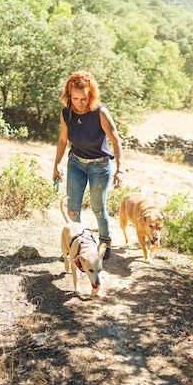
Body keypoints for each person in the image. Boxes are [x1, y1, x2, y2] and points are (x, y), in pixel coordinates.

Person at [53, 71, 124, 260]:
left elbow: (116, 140)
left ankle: (104, 241)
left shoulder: (100, 112)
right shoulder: (66, 112)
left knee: (98, 209)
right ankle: (78, 244)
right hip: (76, 163)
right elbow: (62, 140)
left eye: (84, 98)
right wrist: (56, 165)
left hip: (99, 167)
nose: (79, 102)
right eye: (75, 98)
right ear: (69, 95)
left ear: (90, 94)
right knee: (72, 209)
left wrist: (120, 170)